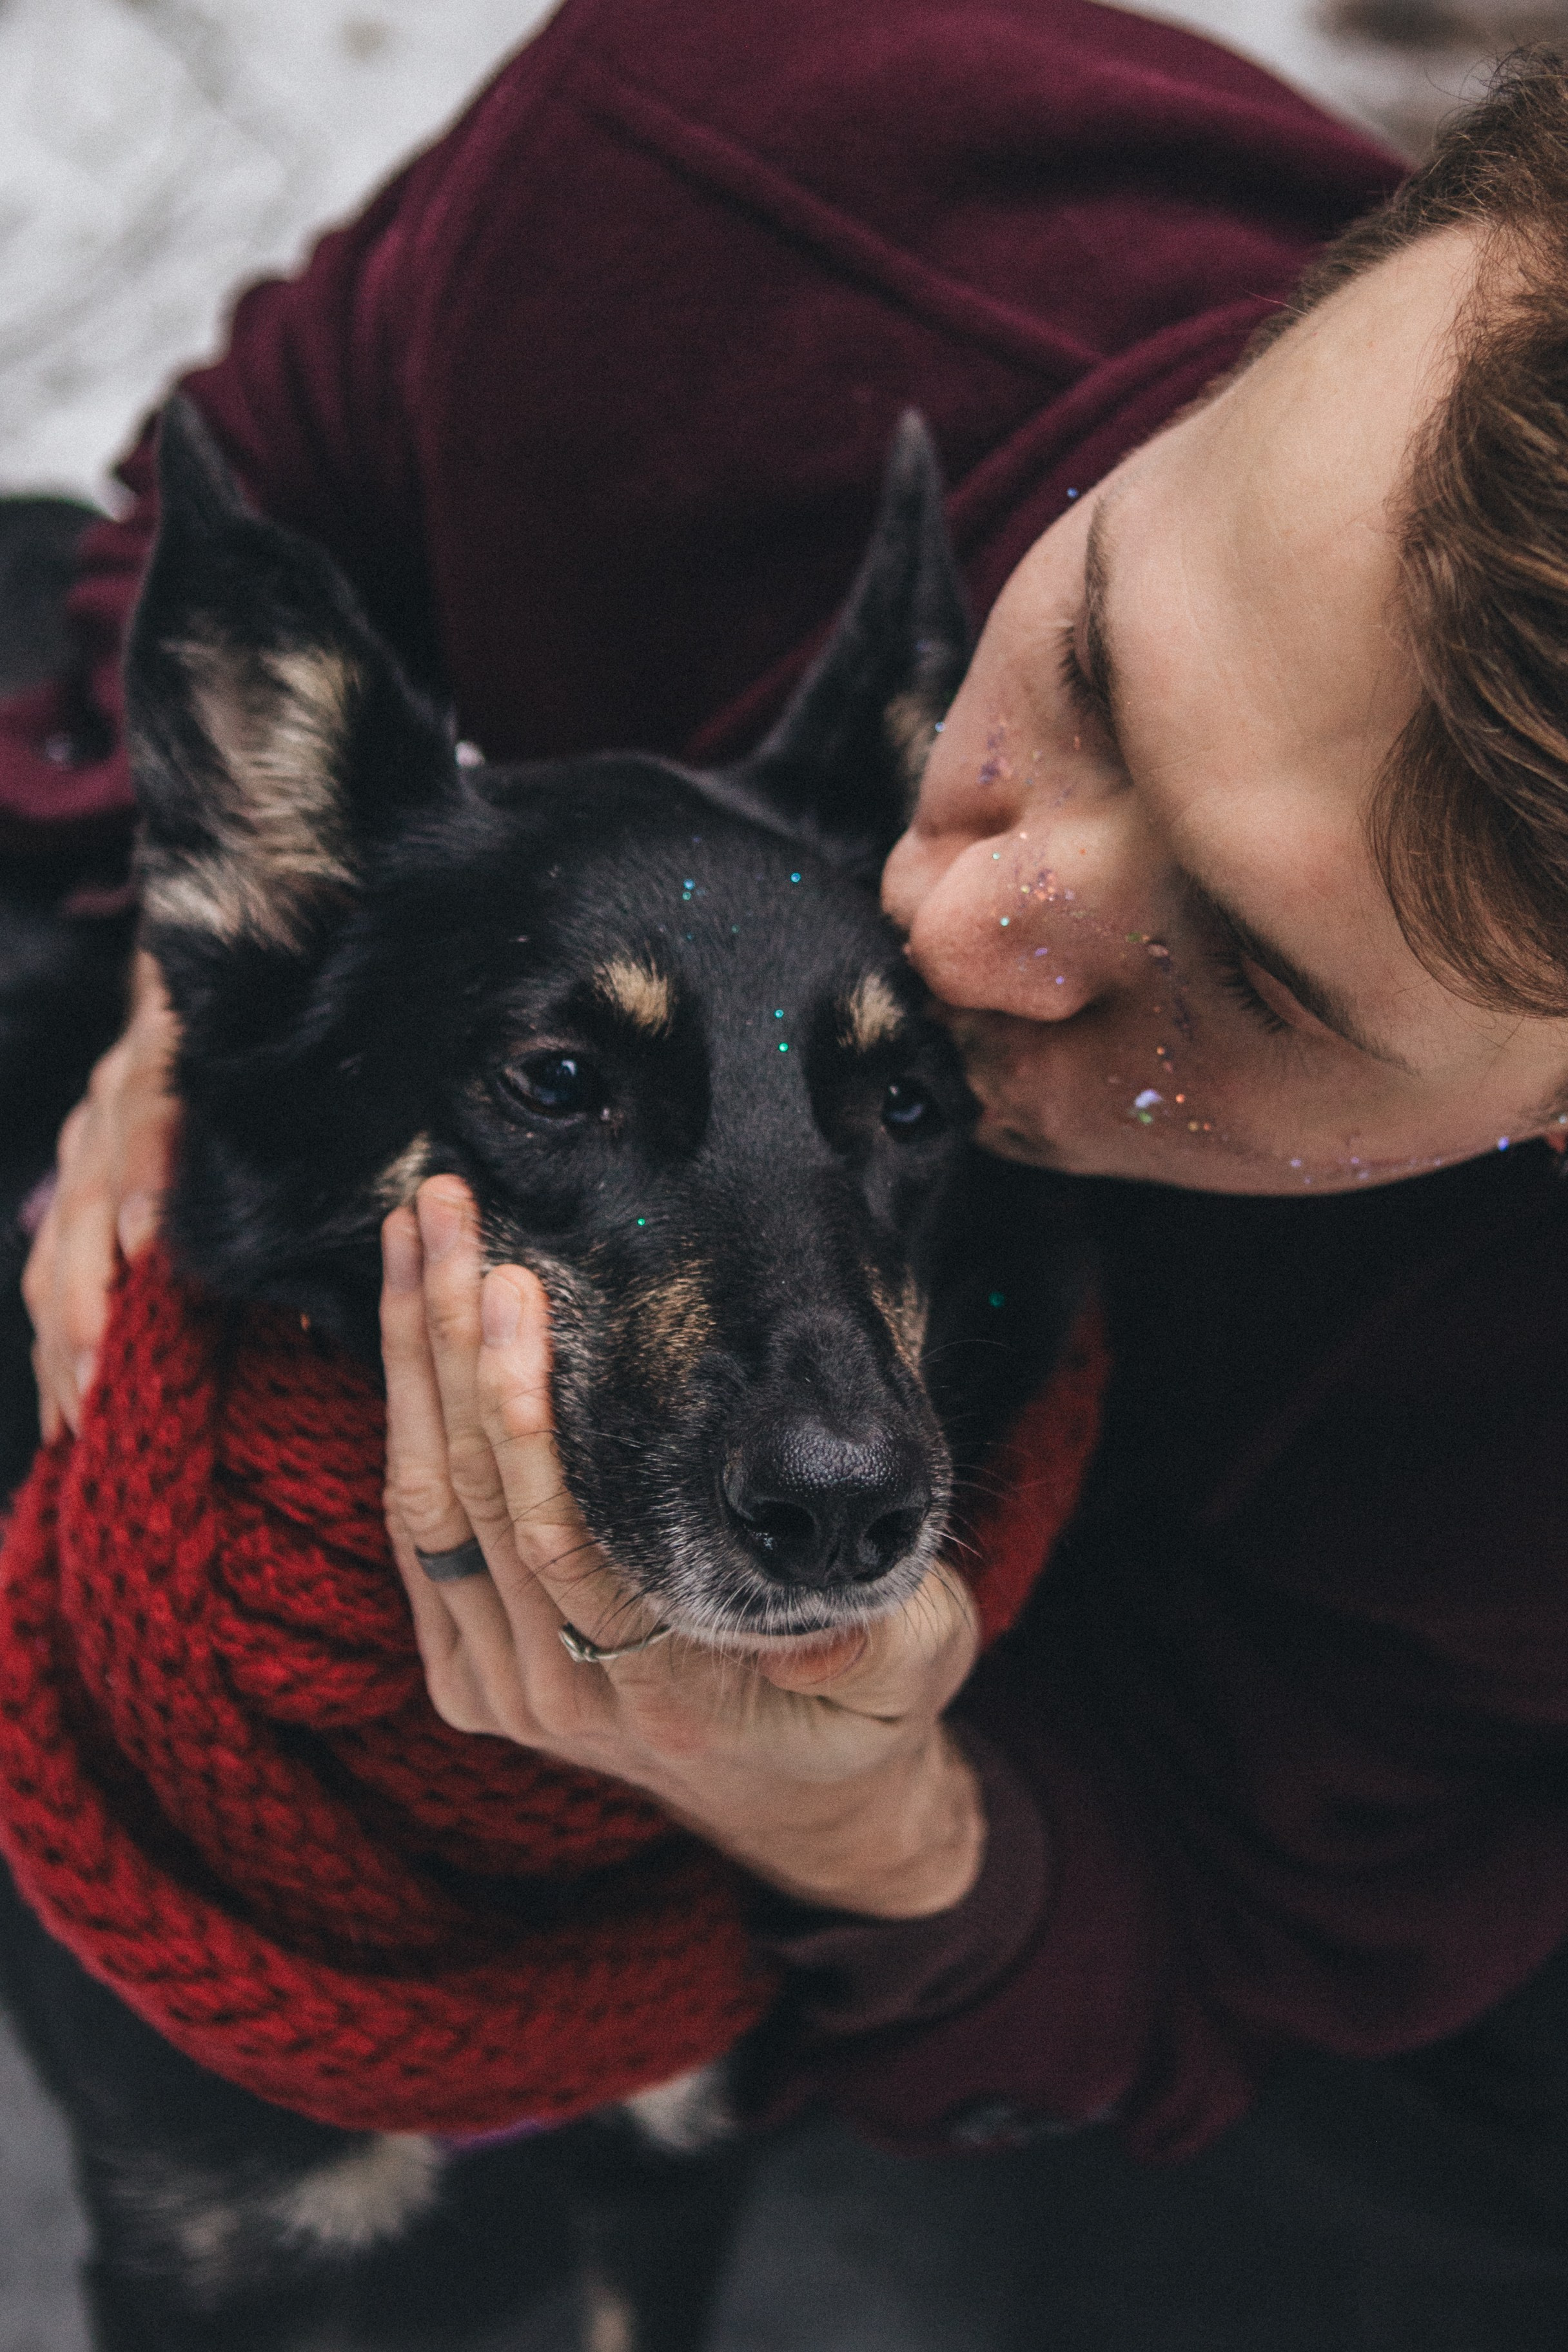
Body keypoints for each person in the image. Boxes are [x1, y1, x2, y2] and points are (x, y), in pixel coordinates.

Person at [9, 0, 1568, 2338]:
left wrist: (879, 1830)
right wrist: (185, 994)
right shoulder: (742, 143)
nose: (943, 934)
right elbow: (239, 490)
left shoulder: (1516, 1450)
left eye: (1250, 978)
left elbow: (1243, 1924)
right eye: (1098, 656)